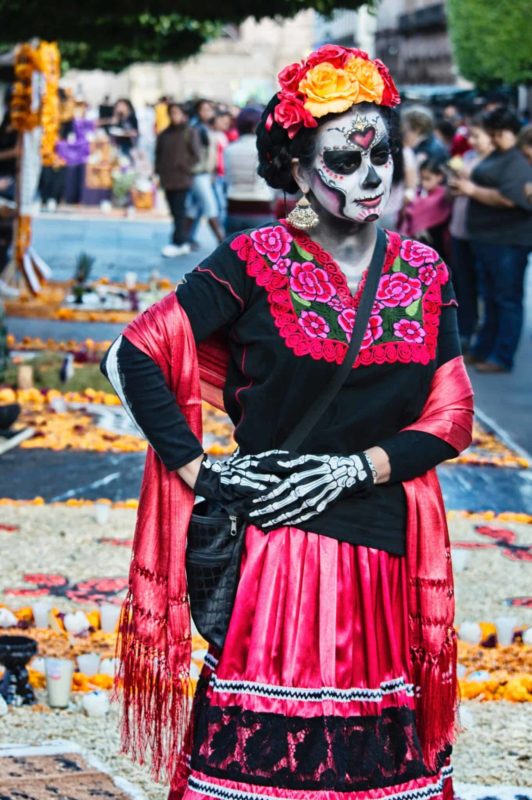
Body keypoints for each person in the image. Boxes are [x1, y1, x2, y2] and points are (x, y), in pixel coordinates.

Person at [101, 45, 473, 800]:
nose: (373, 177)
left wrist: (354, 467)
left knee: (376, 770)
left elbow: (454, 414)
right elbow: (132, 356)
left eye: (383, 156)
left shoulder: (424, 271)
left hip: (382, 546)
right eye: (347, 157)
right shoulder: (257, 259)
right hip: (277, 555)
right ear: (301, 170)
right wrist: (200, 469)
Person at [450, 108, 532, 372]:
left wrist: (472, 190)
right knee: (492, 298)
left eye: (494, 133)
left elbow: (510, 198)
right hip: (487, 238)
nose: (492, 138)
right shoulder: (501, 155)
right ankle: (484, 348)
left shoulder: (515, 161)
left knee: (506, 299)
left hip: (507, 240)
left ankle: (501, 355)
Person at [448, 117, 494, 351]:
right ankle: (465, 332)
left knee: (484, 287)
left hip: (482, 233)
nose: (472, 141)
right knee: (463, 284)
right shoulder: (466, 158)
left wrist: (470, 187)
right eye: (471, 136)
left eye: (477, 136)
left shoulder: (496, 163)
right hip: (459, 228)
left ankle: (483, 335)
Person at [155, 103, 200, 257]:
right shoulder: (164, 134)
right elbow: (158, 156)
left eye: (177, 113)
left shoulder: (189, 132)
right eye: (172, 113)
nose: (175, 116)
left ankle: (179, 241)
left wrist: (184, 167)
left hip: (182, 179)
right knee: (174, 211)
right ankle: (182, 240)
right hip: (168, 178)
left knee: (180, 211)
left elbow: (196, 155)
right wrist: (159, 172)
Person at [223, 106, 274, 234]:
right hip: (260, 207)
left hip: (234, 207)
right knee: (263, 252)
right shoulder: (265, 150)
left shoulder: (229, 149)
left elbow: (227, 178)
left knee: (233, 252)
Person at [185, 99, 224, 247]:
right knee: (210, 207)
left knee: (193, 209)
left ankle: (184, 238)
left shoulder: (205, 127)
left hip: (205, 174)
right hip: (198, 173)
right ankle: (221, 240)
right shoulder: (197, 128)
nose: (207, 113)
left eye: (209, 109)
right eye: (204, 110)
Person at [401, 159, 452, 258]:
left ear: (439, 177)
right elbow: (406, 214)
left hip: (437, 238)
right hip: (418, 240)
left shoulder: (443, 195)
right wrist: (405, 204)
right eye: (422, 178)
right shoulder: (418, 192)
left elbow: (417, 209)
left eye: (428, 179)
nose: (424, 183)